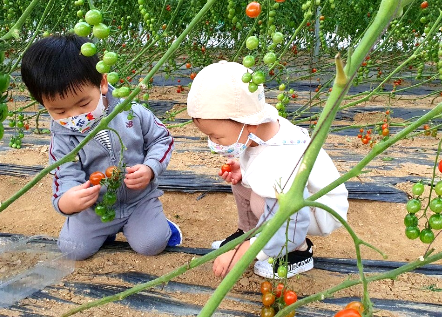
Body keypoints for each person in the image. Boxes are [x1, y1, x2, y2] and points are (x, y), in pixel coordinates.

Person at [20, 34, 181, 260]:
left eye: (83, 103)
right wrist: (67, 202)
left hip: (138, 201)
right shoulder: (62, 136)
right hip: (95, 208)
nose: (75, 116)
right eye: (59, 111)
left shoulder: (131, 110)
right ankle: (105, 231)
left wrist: (150, 168)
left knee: (151, 244)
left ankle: (162, 227)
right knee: (72, 250)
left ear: (102, 83)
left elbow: (162, 139)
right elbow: (63, 173)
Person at [187, 61, 349, 278]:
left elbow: (292, 217)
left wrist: (245, 252)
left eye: (217, 136)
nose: (213, 142)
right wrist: (245, 170)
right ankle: (249, 233)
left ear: (248, 124)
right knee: (243, 185)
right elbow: (260, 164)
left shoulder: (281, 160)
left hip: (315, 210)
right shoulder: (262, 129)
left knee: (261, 202)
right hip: (290, 198)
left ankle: (298, 251)